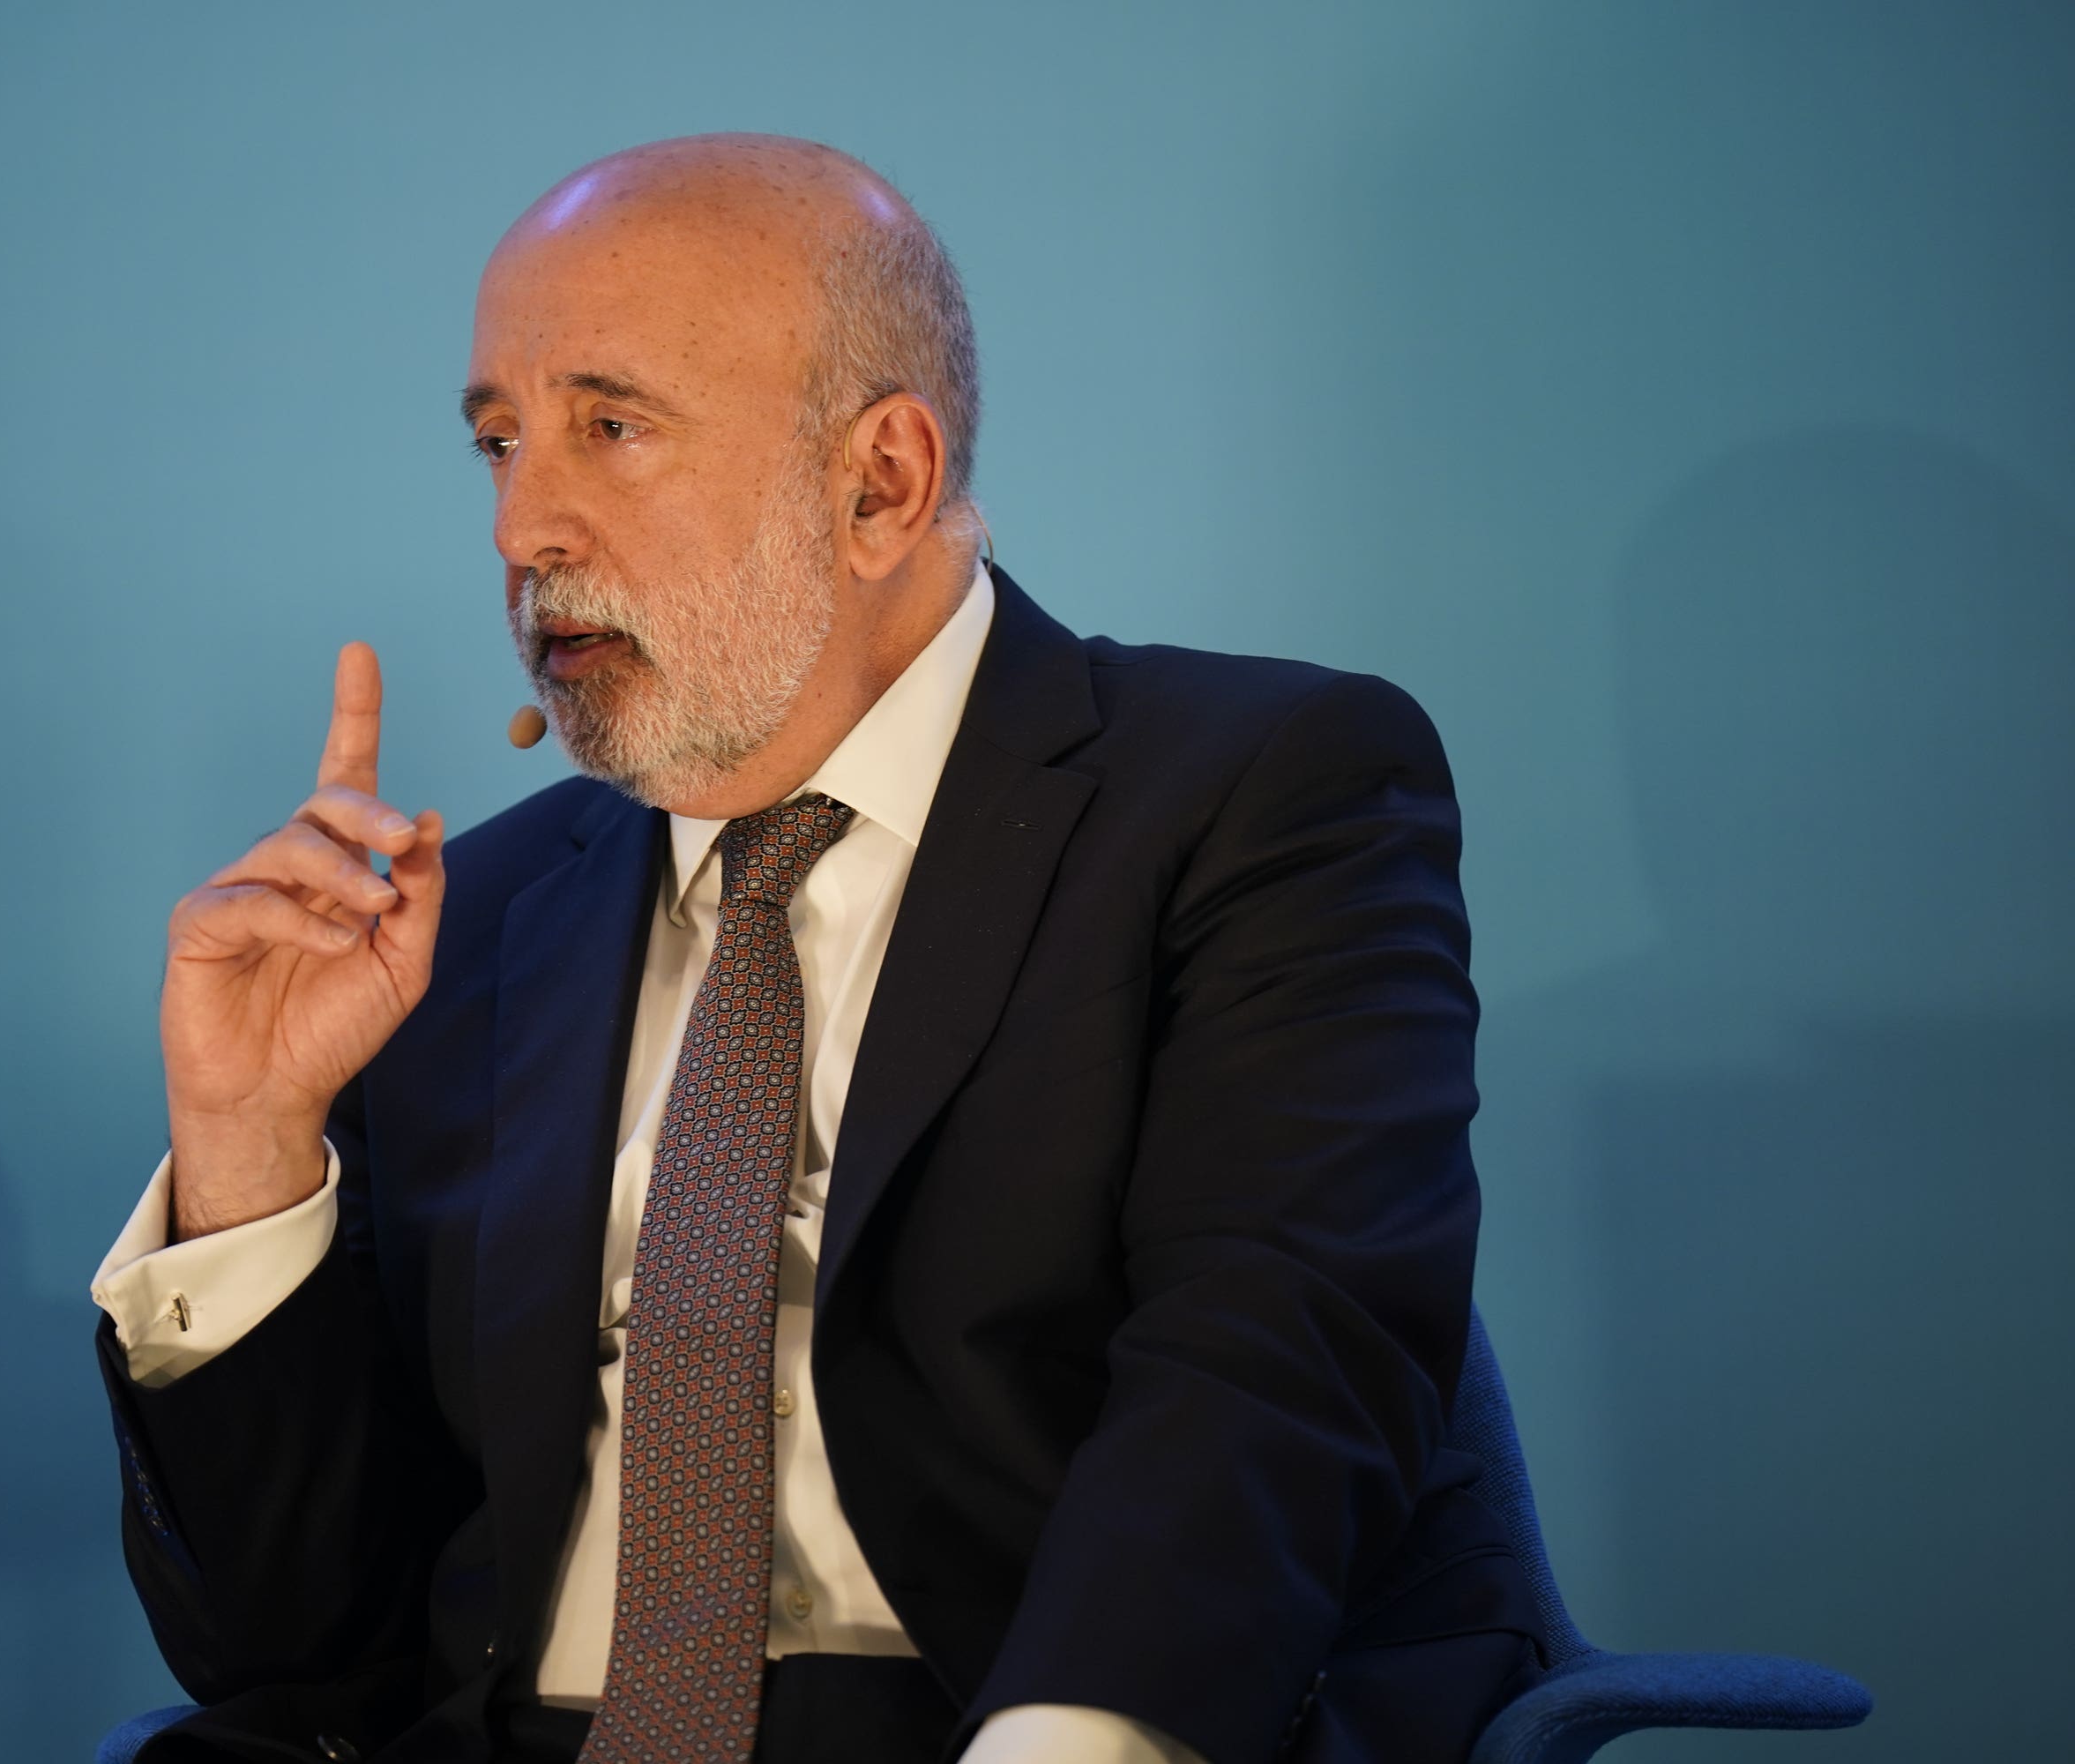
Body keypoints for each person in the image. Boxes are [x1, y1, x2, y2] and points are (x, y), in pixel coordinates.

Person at [90, 134, 1540, 1764]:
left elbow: (1276, 1355)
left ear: (882, 484)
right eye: (498, 442)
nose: (524, 527)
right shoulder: (454, 923)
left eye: (609, 428)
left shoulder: (1255, 793)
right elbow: (286, 1646)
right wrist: (247, 1153)